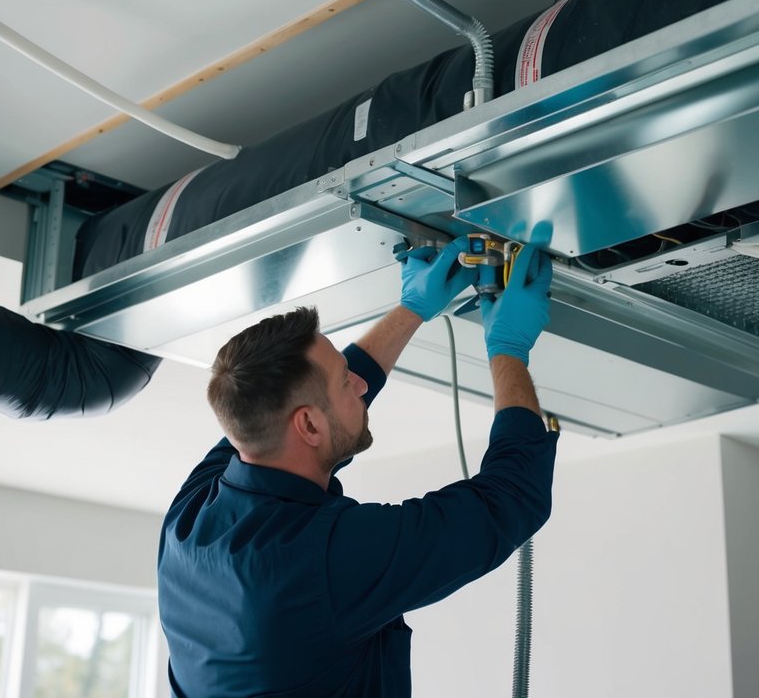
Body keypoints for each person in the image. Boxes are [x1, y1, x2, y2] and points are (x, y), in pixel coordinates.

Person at [158, 236, 558, 697]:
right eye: (346, 382)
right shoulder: (322, 563)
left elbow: (310, 415)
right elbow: (511, 499)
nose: (362, 382)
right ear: (307, 424)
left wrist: (411, 309)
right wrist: (508, 348)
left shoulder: (191, 517)